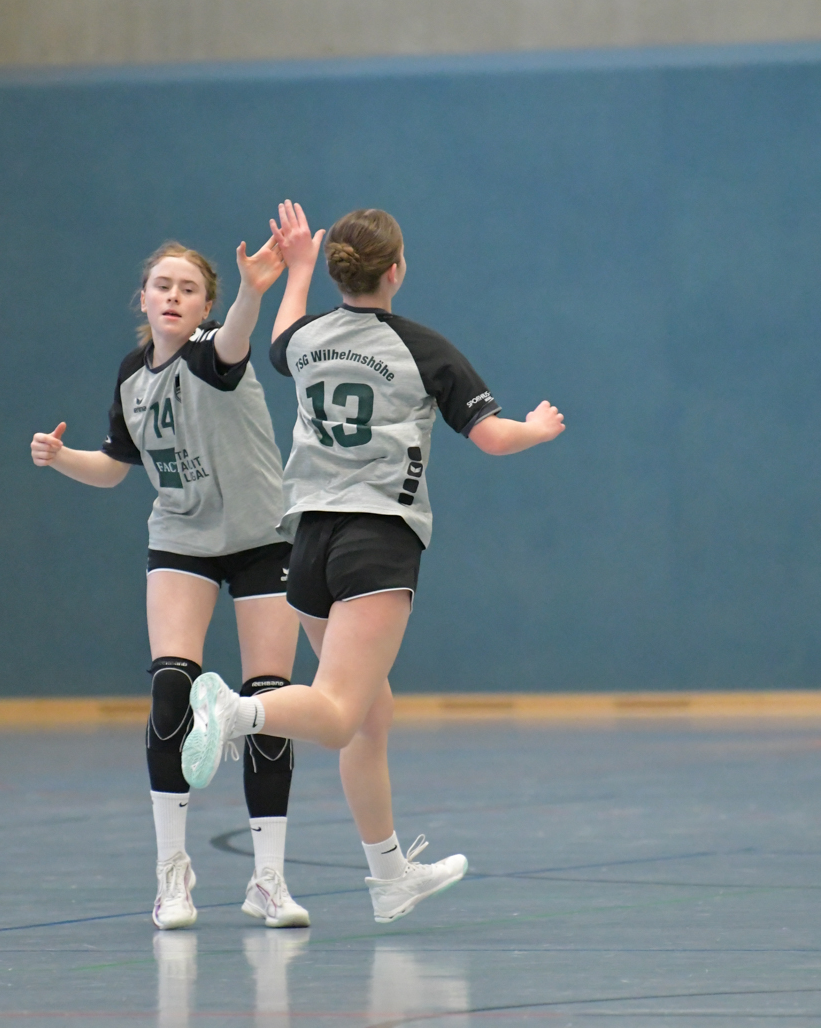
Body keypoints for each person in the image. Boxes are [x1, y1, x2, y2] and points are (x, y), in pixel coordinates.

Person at [181, 202, 566, 923]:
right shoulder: (423, 348)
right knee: (337, 714)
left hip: (307, 541)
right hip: (376, 539)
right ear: (396, 270)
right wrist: (538, 429)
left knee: (370, 715)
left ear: (339, 272)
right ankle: (236, 711)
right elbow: (491, 436)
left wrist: (297, 268)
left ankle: (390, 876)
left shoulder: (307, 341)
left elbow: (282, 333)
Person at [31, 237, 310, 931]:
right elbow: (114, 466)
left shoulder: (213, 351)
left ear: (205, 304)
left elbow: (238, 333)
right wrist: (62, 457)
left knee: (267, 701)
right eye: (163, 285)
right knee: (170, 688)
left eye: (188, 288)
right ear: (144, 297)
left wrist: (253, 290)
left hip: (260, 537)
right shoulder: (133, 375)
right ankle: (172, 874)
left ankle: (268, 879)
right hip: (182, 538)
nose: (174, 296)